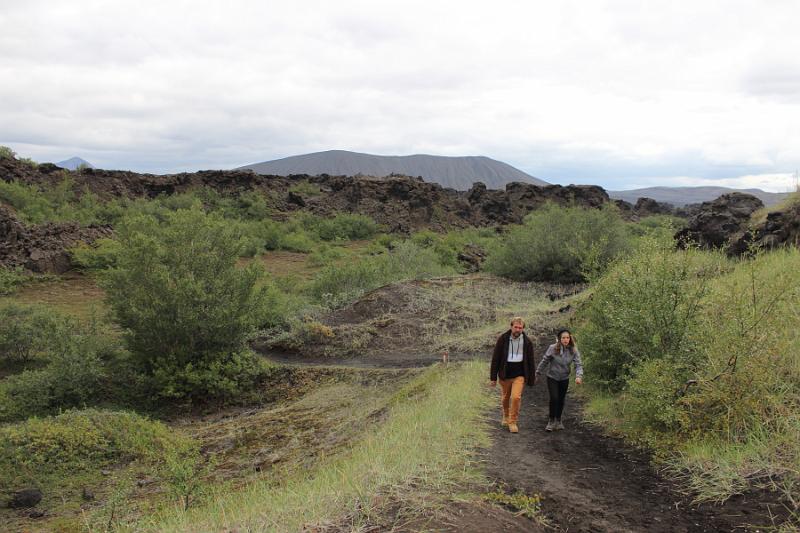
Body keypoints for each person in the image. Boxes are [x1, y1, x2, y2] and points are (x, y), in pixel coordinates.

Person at [489, 317, 535, 433]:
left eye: (520, 328)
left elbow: (531, 361)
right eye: (516, 327)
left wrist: (531, 378)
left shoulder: (527, 341)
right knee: (505, 398)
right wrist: (493, 377)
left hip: (520, 374)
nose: (518, 329)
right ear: (511, 326)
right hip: (505, 374)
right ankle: (505, 415)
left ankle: (513, 421)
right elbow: (496, 359)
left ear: (523, 328)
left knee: (515, 397)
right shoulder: (503, 339)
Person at [535, 329, 583, 432]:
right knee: (554, 398)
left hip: (564, 378)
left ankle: (558, 419)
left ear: (570, 339)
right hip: (552, 377)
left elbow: (578, 364)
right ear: (559, 339)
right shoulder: (552, 348)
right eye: (563, 338)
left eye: (567, 338)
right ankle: (551, 421)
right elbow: (545, 360)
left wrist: (578, 376)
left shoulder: (573, 350)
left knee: (561, 399)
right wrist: (537, 373)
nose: (566, 340)